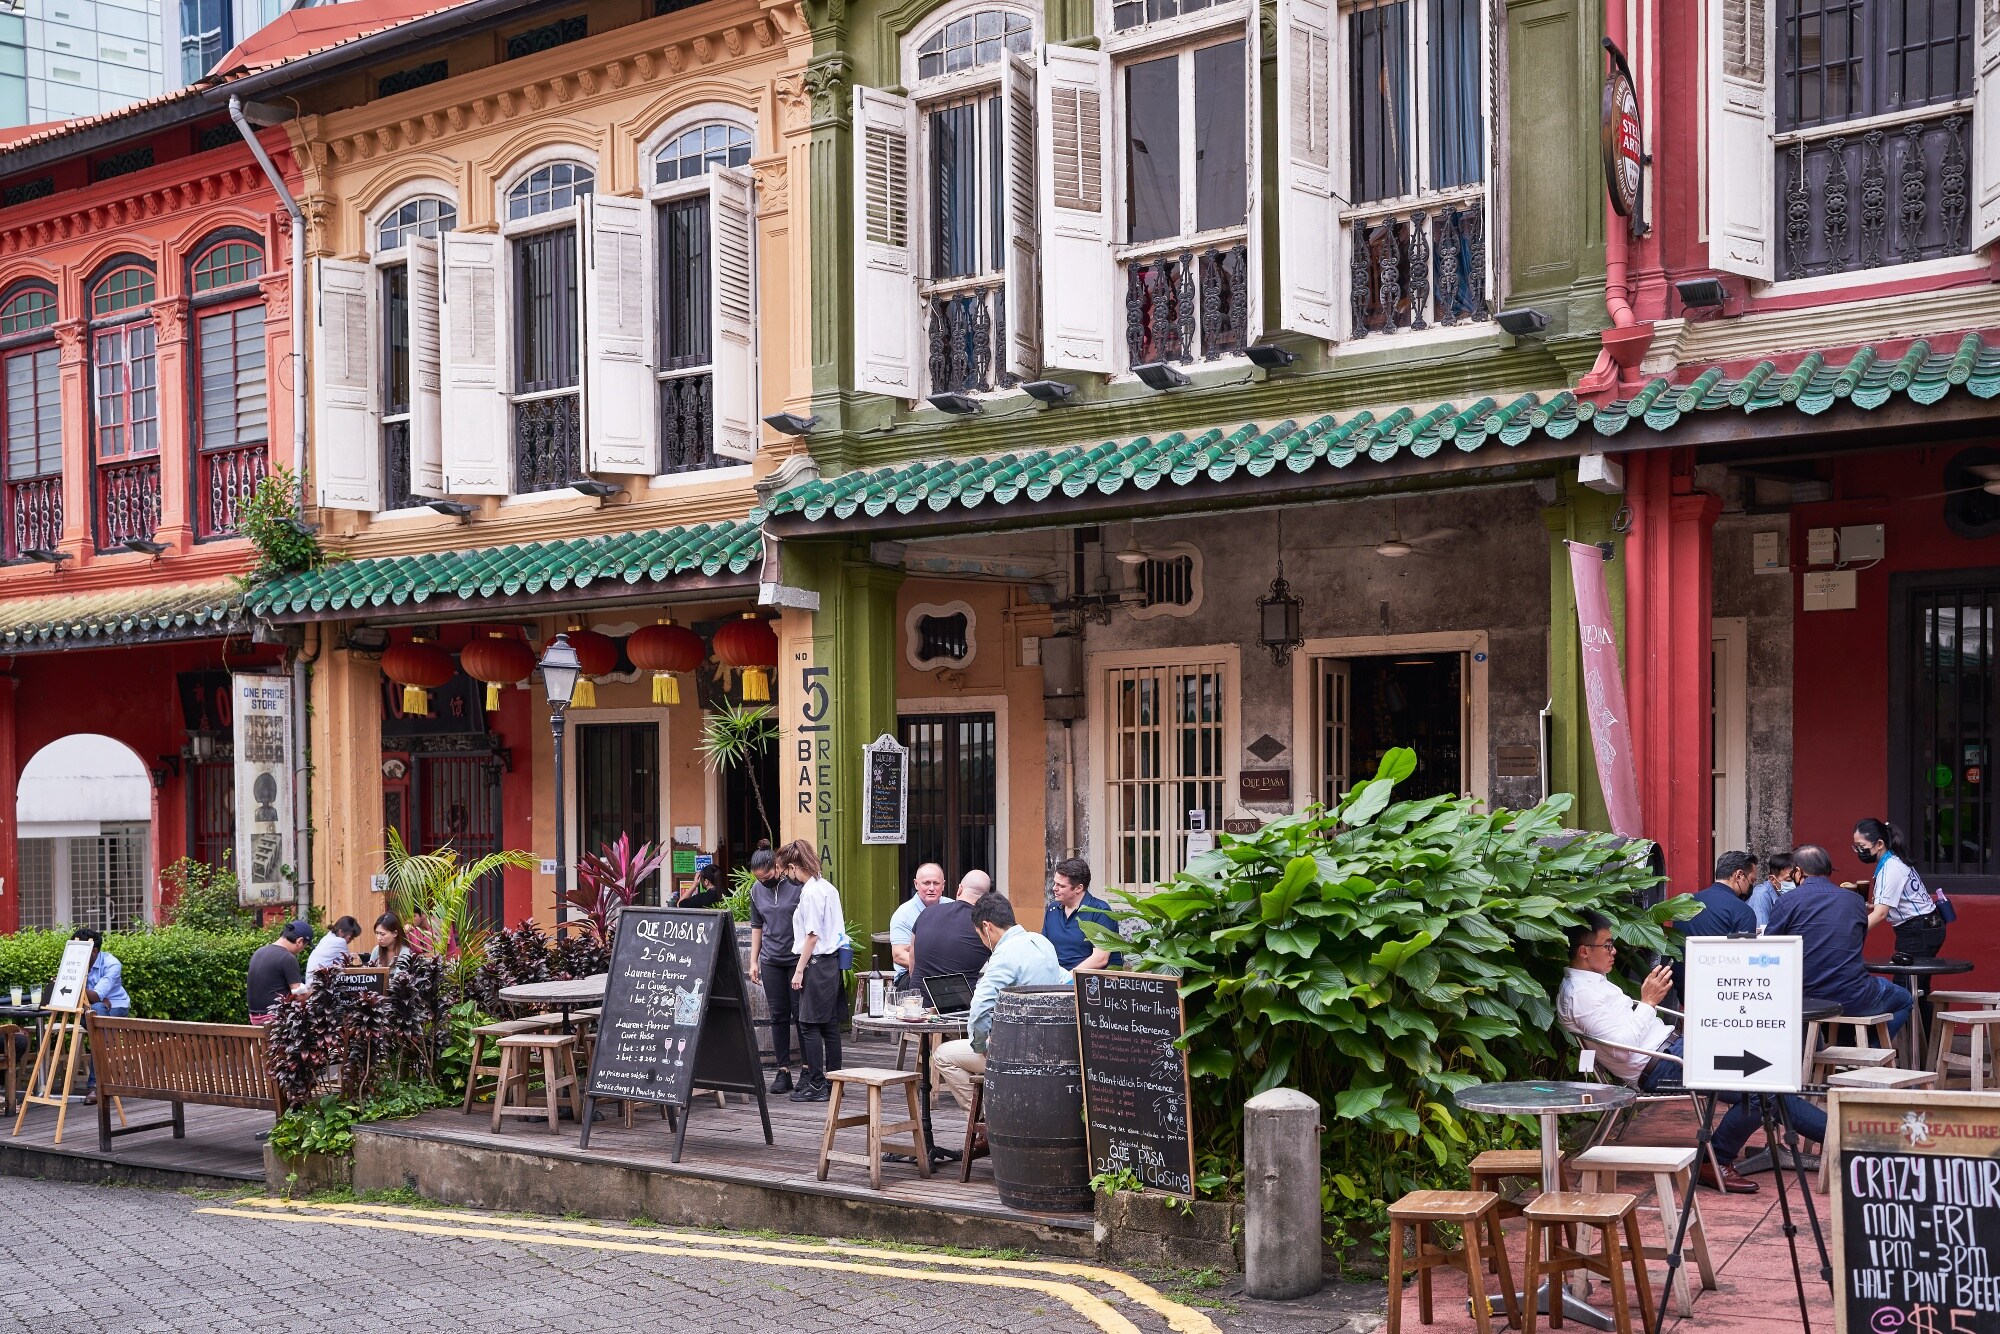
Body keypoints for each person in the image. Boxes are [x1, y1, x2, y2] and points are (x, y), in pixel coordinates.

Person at [1558, 912, 1825, 1194]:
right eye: (1608, 945)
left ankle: (1844, 1141)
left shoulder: (1593, 981)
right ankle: (1715, 1159)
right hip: (1664, 1066)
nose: (1614, 951)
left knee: (1772, 1080)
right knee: (1760, 1088)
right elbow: (1622, 1050)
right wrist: (1648, 1002)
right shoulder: (1583, 995)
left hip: (1675, 1051)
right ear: (1584, 951)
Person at [933, 894, 1069, 1109]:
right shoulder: (1042, 943)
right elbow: (1066, 979)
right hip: (1052, 1045)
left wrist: (980, 1045)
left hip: (1016, 1051)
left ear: (987, 927)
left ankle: (986, 1117)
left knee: (942, 1055)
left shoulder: (1005, 954)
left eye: (979, 934)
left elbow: (980, 1008)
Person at [1767, 845, 1914, 1037]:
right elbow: (1856, 943)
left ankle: (1835, 1054)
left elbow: (1770, 949)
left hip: (1803, 998)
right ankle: (1868, 1052)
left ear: (1797, 872)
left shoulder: (1787, 901)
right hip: (1855, 996)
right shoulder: (1854, 901)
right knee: (1905, 999)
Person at [779, 840, 846, 1103]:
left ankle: (818, 1084)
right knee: (829, 1024)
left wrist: (798, 971)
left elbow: (812, 936)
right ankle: (835, 1082)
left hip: (816, 964)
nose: (788, 877)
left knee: (808, 1025)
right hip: (831, 962)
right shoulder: (827, 887)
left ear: (794, 867)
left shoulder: (810, 893)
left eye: (787, 872)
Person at [746, 847, 803, 1095]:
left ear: (777, 867)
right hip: (771, 960)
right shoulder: (756, 891)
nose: (763, 881)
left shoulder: (798, 887)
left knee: (802, 1015)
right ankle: (783, 1071)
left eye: (767, 876)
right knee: (778, 1015)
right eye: (759, 878)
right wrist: (753, 960)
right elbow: (757, 926)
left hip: (797, 959)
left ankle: (809, 1069)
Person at [1855, 818, 1946, 959]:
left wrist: (1852, 932)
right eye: (1856, 847)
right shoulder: (1896, 860)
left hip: (1917, 930)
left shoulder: (1890, 868)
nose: (1859, 851)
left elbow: (1880, 914)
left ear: (1879, 844)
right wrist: (1876, 904)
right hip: (1928, 926)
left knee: (1904, 980)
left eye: (1861, 846)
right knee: (1917, 979)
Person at [1671, 851, 1760, 993]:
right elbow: (1744, 965)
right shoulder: (1743, 912)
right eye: (1752, 881)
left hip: (1683, 991)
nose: (1751, 887)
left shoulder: (1686, 903)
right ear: (1739, 875)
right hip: (1721, 994)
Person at [909, 870, 993, 997]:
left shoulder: (926, 913)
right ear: (986, 898)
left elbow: (912, 961)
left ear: (959, 889)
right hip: (959, 1008)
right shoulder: (985, 926)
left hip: (918, 1004)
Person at [1042, 858, 1121, 972]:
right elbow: (1044, 949)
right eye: (1055, 883)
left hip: (1089, 982)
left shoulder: (1100, 911)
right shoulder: (1052, 909)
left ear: (1079, 888)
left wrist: (1068, 978)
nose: (1054, 888)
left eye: (1061, 886)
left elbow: (1100, 958)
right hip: (1056, 979)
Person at [889, 863, 947, 984]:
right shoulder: (903, 914)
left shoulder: (952, 907)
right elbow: (898, 955)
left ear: (943, 885)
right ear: (916, 884)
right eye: (926, 883)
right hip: (911, 976)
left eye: (936, 883)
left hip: (949, 973)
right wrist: (936, 966)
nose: (931, 888)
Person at [247, 921, 311, 1024]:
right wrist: (316, 990)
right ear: (299, 941)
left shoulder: (259, 952)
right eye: (305, 946)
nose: (302, 950)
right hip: (275, 1022)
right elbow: (299, 996)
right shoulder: (287, 958)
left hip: (255, 1020)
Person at [306, 916, 361, 986]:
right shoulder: (339, 941)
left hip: (312, 984)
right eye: (350, 937)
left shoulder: (328, 937)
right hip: (319, 989)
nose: (351, 940)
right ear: (341, 932)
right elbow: (346, 966)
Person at [1749, 852, 1798, 930]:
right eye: (1789, 880)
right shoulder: (1761, 896)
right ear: (1773, 880)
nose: (1794, 884)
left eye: (1796, 879)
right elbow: (1762, 935)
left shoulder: (1792, 896)